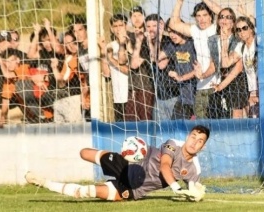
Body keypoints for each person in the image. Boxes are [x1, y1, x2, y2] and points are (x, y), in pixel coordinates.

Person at [25, 125, 210, 201]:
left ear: (203, 147)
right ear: (187, 136)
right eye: (193, 136)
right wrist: (177, 188)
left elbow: (192, 187)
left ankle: (44, 182)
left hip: (134, 188)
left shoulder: (195, 169)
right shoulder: (173, 144)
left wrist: (194, 192)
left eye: (200, 140)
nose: (194, 142)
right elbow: (165, 166)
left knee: (87, 192)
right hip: (128, 164)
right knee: (83, 153)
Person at [169, 0, 220, 119]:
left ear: (211, 16)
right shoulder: (195, 30)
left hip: (217, 86)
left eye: (205, 15)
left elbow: (223, 14)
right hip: (201, 86)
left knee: (217, 125)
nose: (201, 19)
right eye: (198, 16)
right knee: (201, 125)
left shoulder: (216, 29)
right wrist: (179, 2)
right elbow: (174, 24)